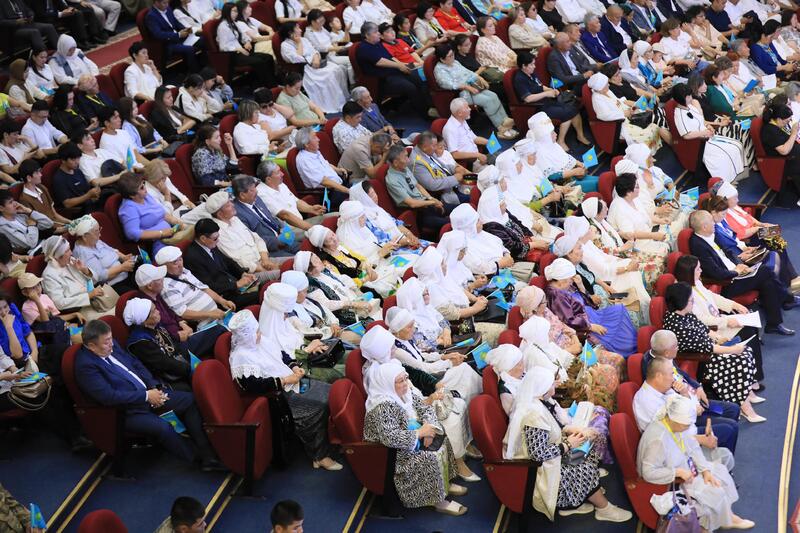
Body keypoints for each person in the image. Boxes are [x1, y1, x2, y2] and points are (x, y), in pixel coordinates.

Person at [75, 319, 223, 470]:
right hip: (126, 411)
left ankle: (209, 456)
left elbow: (136, 363)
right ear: (92, 346)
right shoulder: (85, 366)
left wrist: (154, 387)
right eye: (106, 342)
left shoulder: (111, 345)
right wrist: (146, 396)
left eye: (111, 338)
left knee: (189, 400)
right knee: (163, 428)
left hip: (148, 393)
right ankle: (195, 458)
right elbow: (110, 397)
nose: (111, 344)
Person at [504, 369, 633, 522]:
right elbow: (538, 454)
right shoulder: (533, 416)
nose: (555, 386)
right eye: (551, 384)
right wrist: (568, 444)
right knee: (583, 467)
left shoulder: (540, 402)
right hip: (537, 470)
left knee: (588, 449)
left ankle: (578, 499)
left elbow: (552, 428)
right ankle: (604, 509)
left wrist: (573, 430)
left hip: (550, 455)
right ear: (542, 389)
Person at [363, 361, 468, 516]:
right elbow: (390, 438)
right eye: (400, 381)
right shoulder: (382, 406)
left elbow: (425, 408)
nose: (405, 383)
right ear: (387, 383)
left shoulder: (405, 393)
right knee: (428, 457)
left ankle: (443, 484)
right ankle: (438, 500)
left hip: (410, 434)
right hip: (390, 452)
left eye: (406, 378)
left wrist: (429, 427)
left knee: (442, 438)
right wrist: (419, 433)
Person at [637, 395, 755, 531]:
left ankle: (726, 516)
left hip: (684, 466)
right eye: (686, 424)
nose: (689, 427)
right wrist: (678, 472)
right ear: (676, 420)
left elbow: (692, 447)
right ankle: (713, 523)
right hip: (672, 479)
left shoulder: (675, 426)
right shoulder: (657, 440)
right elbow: (648, 472)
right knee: (713, 490)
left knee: (718, 472)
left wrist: (705, 471)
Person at [663, 282, 763, 422]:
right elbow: (708, 347)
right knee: (739, 358)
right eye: (691, 300)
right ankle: (744, 405)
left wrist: (718, 337)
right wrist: (732, 349)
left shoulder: (685, 314)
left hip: (709, 350)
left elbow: (704, 329)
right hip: (703, 359)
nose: (693, 302)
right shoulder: (678, 326)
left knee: (746, 351)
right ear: (682, 302)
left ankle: (746, 392)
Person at [689, 209, 795, 335]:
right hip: (728, 282)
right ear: (704, 227)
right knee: (766, 271)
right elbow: (716, 273)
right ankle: (787, 298)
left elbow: (727, 252)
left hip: (736, 271)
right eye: (711, 222)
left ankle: (774, 324)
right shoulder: (698, 245)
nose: (714, 223)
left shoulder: (710, 235)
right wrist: (736, 272)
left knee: (768, 282)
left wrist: (739, 263)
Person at [637, 330, 741, 456]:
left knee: (733, 410)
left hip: (690, 401)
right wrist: (693, 407)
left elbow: (681, 375)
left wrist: (698, 387)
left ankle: (715, 452)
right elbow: (670, 425)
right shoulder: (656, 370)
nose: (678, 347)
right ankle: (714, 457)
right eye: (676, 346)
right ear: (667, 352)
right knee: (730, 428)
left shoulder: (663, 357)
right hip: (686, 419)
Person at [544, 257, 637, 356]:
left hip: (590, 315)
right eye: (570, 279)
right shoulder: (555, 296)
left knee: (619, 310)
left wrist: (580, 286)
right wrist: (590, 326)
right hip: (585, 324)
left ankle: (634, 345)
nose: (571, 282)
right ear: (560, 280)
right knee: (613, 327)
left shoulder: (563, 286)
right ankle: (631, 351)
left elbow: (582, 300)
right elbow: (569, 320)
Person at [706, 193, 798, 291]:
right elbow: (740, 234)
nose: (737, 200)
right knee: (775, 241)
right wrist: (757, 229)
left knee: (776, 234)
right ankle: (790, 279)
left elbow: (749, 218)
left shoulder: (734, 209)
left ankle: (791, 276)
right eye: (735, 198)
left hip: (752, 234)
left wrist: (762, 224)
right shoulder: (725, 218)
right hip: (751, 237)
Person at [433, 44, 517, 139]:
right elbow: (448, 84)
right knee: (487, 101)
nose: (453, 57)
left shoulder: (455, 62)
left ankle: (505, 121)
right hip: (462, 94)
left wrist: (480, 78)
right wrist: (467, 87)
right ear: (442, 59)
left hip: (472, 87)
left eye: (453, 54)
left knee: (493, 95)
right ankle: (501, 128)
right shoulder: (439, 70)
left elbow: (469, 73)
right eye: (450, 56)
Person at [672, 82, 745, 184]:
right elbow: (686, 135)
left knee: (737, 145)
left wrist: (708, 126)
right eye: (688, 96)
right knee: (725, 153)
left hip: (708, 136)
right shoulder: (679, 115)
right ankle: (724, 182)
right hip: (700, 143)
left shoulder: (690, 106)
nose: (691, 98)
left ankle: (735, 175)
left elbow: (701, 120)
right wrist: (704, 132)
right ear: (681, 98)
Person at [356, 22, 433, 118]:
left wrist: (402, 66)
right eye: (375, 32)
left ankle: (430, 106)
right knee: (410, 87)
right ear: (367, 35)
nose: (379, 34)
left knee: (419, 78)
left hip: (394, 73)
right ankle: (425, 113)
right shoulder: (364, 48)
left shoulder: (377, 44)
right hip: (382, 80)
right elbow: (380, 61)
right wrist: (399, 66)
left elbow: (390, 57)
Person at [514, 51, 587, 149]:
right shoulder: (519, 79)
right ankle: (560, 141)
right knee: (568, 114)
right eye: (531, 64)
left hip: (547, 101)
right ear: (524, 66)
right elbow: (528, 99)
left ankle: (580, 136)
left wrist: (550, 90)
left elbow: (540, 86)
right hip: (538, 107)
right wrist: (546, 93)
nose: (534, 66)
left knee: (574, 109)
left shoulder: (531, 73)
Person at [335, 200, 409, 296]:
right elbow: (359, 267)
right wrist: (380, 254)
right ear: (353, 221)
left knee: (412, 261)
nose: (365, 218)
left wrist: (388, 245)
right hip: (371, 272)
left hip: (382, 261)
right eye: (362, 217)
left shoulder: (362, 228)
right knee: (400, 277)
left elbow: (374, 246)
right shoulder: (346, 239)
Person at [204, 192, 282, 281]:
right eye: (228, 205)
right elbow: (236, 260)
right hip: (252, 273)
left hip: (264, 260)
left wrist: (265, 260)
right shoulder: (218, 232)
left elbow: (257, 239)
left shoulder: (235, 219)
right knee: (285, 273)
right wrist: (265, 269)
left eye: (230, 202)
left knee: (294, 261)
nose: (233, 205)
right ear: (220, 214)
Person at [294, 249, 383, 326]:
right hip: (344, 313)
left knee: (379, 307)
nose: (320, 261)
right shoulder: (310, 285)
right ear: (309, 270)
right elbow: (327, 305)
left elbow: (343, 279)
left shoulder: (324, 271)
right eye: (316, 261)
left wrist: (356, 290)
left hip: (355, 300)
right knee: (376, 323)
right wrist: (353, 304)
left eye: (317, 258)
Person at [41, 235, 118, 320]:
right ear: (58, 256)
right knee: (114, 315)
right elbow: (59, 303)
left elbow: (96, 279)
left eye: (69, 249)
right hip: (80, 309)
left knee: (120, 307)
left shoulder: (71, 261)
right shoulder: (49, 275)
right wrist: (88, 296)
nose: (71, 253)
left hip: (95, 299)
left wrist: (85, 270)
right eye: (67, 251)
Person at [124, 298, 192, 393]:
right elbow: (165, 364)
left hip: (177, 361)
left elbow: (173, 344)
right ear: (144, 320)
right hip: (167, 378)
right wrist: (190, 369)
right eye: (154, 311)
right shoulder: (140, 342)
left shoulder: (155, 324)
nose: (158, 312)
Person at [280, 21, 349, 114]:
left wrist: (316, 57)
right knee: (329, 75)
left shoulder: (304, 39)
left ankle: (341, 99)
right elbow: (297, 58)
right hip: (305, 69)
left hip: (316, 63)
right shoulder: (285, 45)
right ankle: (330, 103)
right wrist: (299, 43)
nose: (300, 30)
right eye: (297, 28)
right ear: (290, 33)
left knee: (338, 69)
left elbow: (314, 50)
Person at [385, 144, 452, 234]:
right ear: (395, 162)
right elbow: (412, 204)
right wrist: (433, 202)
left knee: (458, 209)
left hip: (426, 203)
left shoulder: (403, 168)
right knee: (452, 223)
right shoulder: (392, 180)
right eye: (405, 158)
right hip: (418, 213)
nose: (408, 160)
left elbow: (418, 186)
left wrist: (431, 199)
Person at [118, 172, 188, 255]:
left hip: (171, 233)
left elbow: (162, 213)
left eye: (143, 183)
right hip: (157, 242)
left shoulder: (145, 196)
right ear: (132, 196)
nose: (145, 188)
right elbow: (133, 233)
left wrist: (177, 222)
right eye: (141, 188)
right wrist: (161, 233)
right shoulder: (128, 209)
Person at [232, 175, 299, 257]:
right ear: (242, 195)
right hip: (270, 250)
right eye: (252, 190)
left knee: (306, 250)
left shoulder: (257, 199)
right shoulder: (237, 214)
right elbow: (252, 239)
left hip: (283, 238)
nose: (256, 191)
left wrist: (283, 228)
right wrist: (278, 240)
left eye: (255, 187)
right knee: (298, 260)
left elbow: (270, 218)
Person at [606, 173, 671, 257]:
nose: (639, 188)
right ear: (629, 192)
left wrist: (660, 221)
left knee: (670, 241)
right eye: (637, 187)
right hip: (634, 246)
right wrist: (654, 236)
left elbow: (644, 216)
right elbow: (630, 235)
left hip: (647, 236)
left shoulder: (634, 198)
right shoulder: (619, 208)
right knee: (665, 251)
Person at [71, 215, 137, 296]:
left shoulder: (93, 241)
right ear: (85, 236)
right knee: (140, 293)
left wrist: (124, 257)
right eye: (96, 232)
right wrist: (122, 268)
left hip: (125, 274)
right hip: (114, 286)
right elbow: (100, 276)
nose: (100, 235)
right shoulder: (84, 253)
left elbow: (112, 250)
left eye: (99, 230)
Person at [349, 180, 422, 250]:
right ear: (362, 199)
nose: (375, 196)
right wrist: (407, 241)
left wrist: (410, 235)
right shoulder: (363, 219)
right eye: (371, 196)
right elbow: (382, 239)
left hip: (404, 240)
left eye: (374, 193)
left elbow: (396, 223)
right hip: (391, 249)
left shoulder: (377, 208)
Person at [216, 3, 275, 88]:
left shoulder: (233, 23)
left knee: (268, 57)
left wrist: (247, 41)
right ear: (227, 12)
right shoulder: (222, 27)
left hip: (241, 52)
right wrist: (239, 49)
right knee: (259, 62)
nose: (236, 13)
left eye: (237, 11)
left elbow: (243, 35)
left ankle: (271, 81)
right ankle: (269, 85)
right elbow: (223, 47)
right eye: (234, 11)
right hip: (232, 55)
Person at [294, 127, 350, 208]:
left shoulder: (314, 151)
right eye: (314, 137)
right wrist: (347, 190)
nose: (318, 139)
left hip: (339, 186)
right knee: (359, 198)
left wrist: (338, 170)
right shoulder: (304, 160)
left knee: (362, 188)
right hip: (329, 194)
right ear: (306, 144)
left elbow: (326, 164)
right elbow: (324, 181)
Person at [145, 0, 206, 72]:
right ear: (156, 2)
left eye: (167, 2)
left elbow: (176, 22)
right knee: (189, 49)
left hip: (179, 37)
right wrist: (178, 35)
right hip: (169, 43)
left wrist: (185, 29)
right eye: (164, 3)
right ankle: (195, 72)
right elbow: (158, 34)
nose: (167, 5)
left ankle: (205, 65)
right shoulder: (151, 16)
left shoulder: (168, 9)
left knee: (202, 40)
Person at [759, 101, 800, 206]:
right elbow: (784, 150)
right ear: (779, 119)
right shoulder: (769, 130)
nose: (789, 122)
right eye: (787, 120)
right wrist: (794, 133)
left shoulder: (777, 126)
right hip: (785, 162)